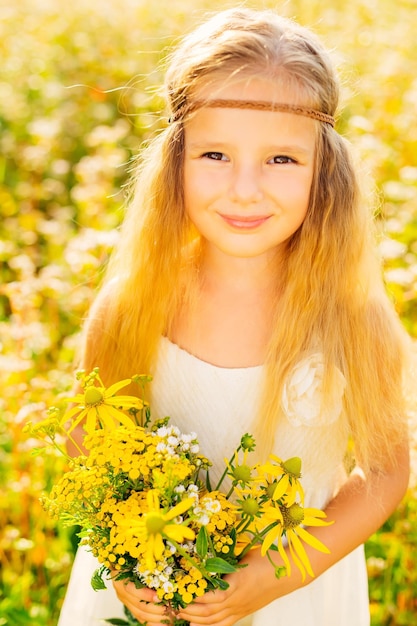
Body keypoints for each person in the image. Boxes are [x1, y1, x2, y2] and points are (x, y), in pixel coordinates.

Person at [57, 7, 411, 626]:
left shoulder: (353, 318)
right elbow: (87, 442)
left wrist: (269, 580)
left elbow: (384, 473)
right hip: (148, 596)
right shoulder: (133, 304)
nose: (245, 189)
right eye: (215, 154)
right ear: (175, 162)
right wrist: (121, 568)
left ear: (324, 170)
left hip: (295, 593)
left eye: (281, 160)